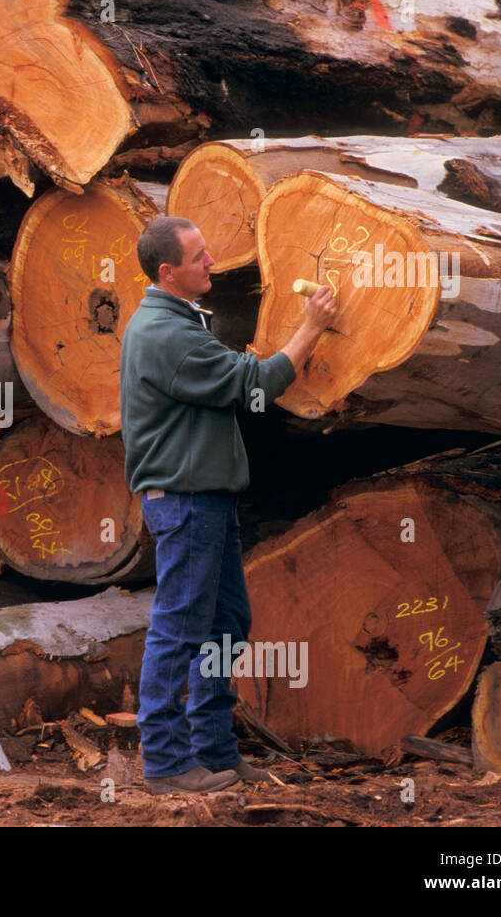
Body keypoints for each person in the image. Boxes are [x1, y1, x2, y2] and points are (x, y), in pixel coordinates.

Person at [119, 216, 337, 795]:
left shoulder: (177, 319)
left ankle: (213, 750)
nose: (212, 260)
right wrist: (311, 327)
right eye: (199, 256)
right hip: (186, 500)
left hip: (202, 497)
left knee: (226, 624)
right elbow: (256, 386)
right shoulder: (165, 335)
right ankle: (165, 764)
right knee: (179, 630)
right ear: (168, 271)